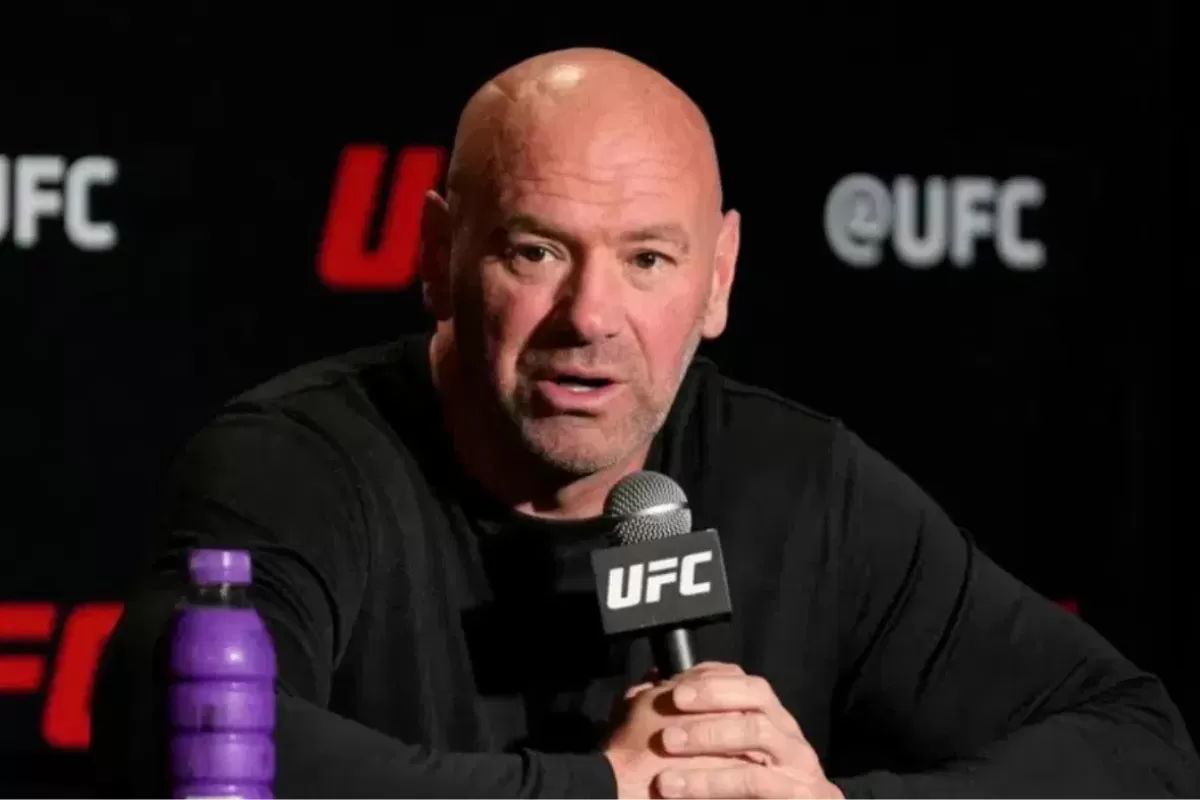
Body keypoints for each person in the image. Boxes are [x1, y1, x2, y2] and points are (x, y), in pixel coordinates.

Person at [91, 48, 1199, 798]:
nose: (590, 316)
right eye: (536, 250)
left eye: (649, 260)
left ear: (718, 279)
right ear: (437, 255)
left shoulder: (797, 482)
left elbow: (1137, 743)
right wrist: (610, 789)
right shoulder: (298, 462)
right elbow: (186, 738)